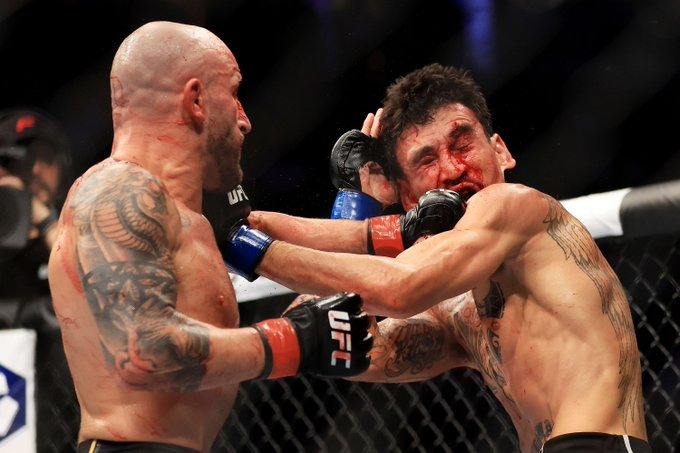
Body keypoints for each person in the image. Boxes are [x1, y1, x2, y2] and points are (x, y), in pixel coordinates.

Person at [224, 63, 651, 452]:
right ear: (407, 198)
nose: (451, 169)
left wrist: (246, 243)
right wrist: (360, 202)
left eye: (462, 144)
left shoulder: (518, 205)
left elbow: (400, 288)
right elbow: (339, 335)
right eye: (426, 160)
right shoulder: (460, 311)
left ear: (500, 152)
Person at [47, 21, 373, 453]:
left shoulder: (190, 216)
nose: (245, 120)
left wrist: (369, 206)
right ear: (196, 100)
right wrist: (294, 340)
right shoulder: (119, 191)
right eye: (234, 93)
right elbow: (143, 352)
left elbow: (292, 250)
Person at [0, 107, 70, 327]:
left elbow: (92, 289)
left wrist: (46, 222)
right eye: (23, 159)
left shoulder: (78, 223)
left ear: (62, 166)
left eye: (45, 158)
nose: (36, 170)